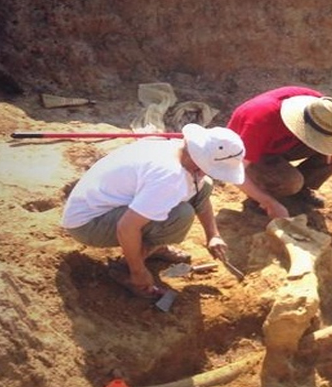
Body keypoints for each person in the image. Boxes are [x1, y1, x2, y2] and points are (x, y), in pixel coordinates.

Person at [61, 124, 245, 299]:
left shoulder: (175, 149)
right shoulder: (170, 177)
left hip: (99, 204)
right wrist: (138, 271)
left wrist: (213, 235)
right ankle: (126, 269)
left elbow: (200, 195)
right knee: (181, 215)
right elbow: (126, 227)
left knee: (203, 188)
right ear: (199, 163)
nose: (206, 174)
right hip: (87, 224)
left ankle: (152, 247)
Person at [227, 86, 332, 217]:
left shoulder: (320, 107)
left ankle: (300, 190)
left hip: (284, 143)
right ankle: (260, 198)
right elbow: (234, 170)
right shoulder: (260, 122)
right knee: (292, 182)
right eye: (320, 137)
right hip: (252, 153)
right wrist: (270, 203)